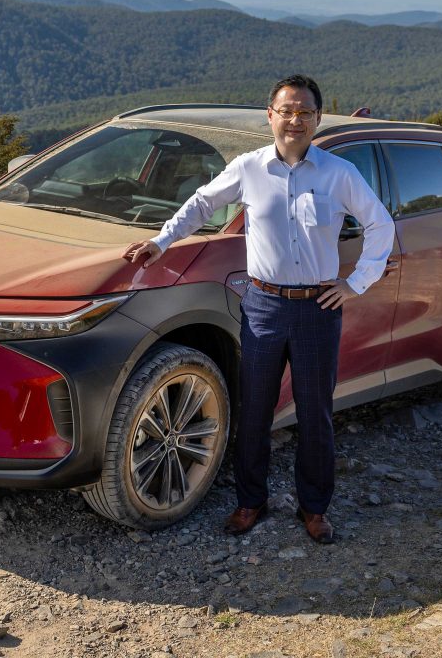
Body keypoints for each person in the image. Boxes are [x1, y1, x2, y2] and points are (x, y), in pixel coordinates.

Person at [122, 75, 394, 543]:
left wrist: (355, 283)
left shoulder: (338, 173)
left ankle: (314, 508)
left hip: (317, 308)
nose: (295, 120)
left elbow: (381, 224)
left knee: (315, 413)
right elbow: (202, 202)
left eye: (305, 112)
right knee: (254, 412)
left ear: (317, 119)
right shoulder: (249, 168)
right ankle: (251, 502)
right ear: (270, 115)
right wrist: (161, 241)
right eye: (286, 111)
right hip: (263, 305)